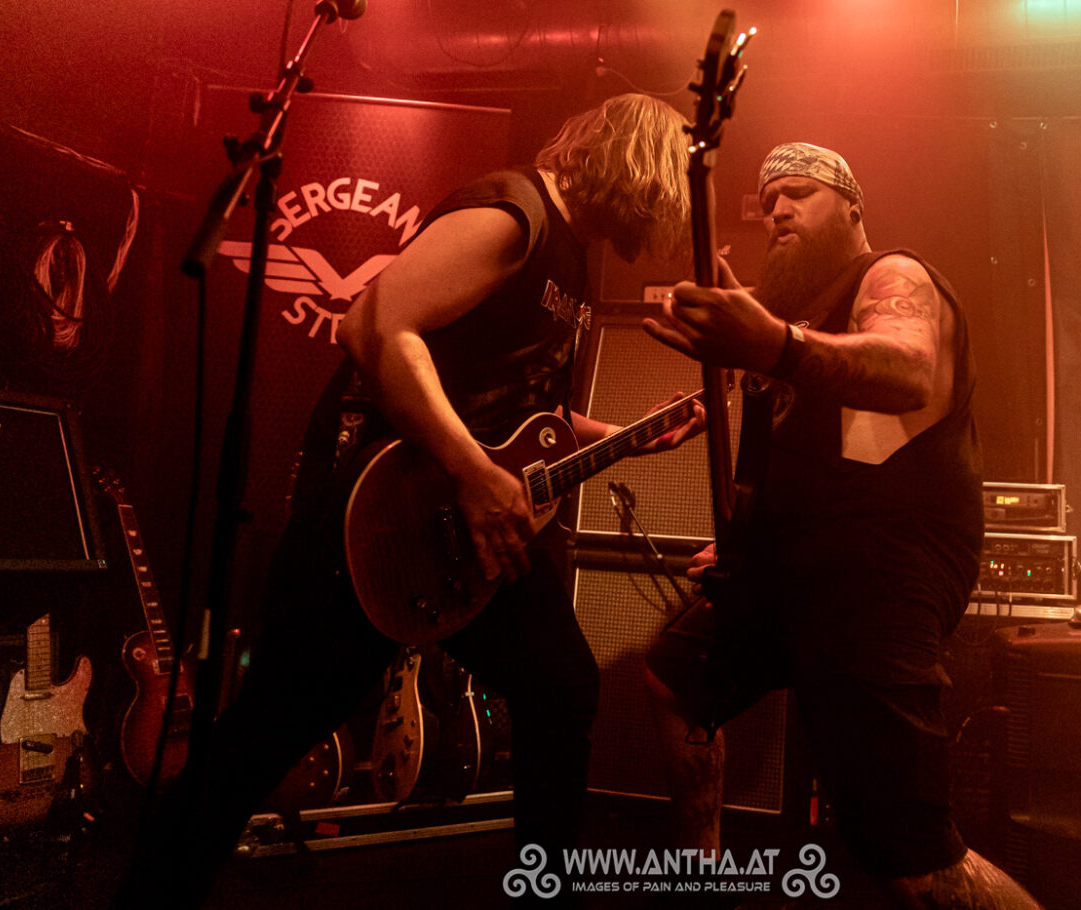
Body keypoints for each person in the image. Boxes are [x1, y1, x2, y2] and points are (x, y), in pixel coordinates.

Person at [116, 92, 702, 908]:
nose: (670, 219)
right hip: (385, 512)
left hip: (465, 526)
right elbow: (373, 327)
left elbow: (514, 410)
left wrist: (628, 435)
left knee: (561, 686)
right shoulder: (513, 214)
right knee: (272, 728)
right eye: (672, 193)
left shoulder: (573, 255)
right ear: (642, 171)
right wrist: (471, 471)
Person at [641, 142, 1043, 908]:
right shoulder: (796, 319)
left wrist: (774, 344)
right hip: (796, 569)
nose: (777, 210)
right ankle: (703, 878)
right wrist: (747, 539)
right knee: (677, 680)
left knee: (913, 863)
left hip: (876, 575)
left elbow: (906, 367)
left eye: (798, 193)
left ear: (851, 205)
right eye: (768, 201)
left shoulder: (890, 276)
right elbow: (807, 451)